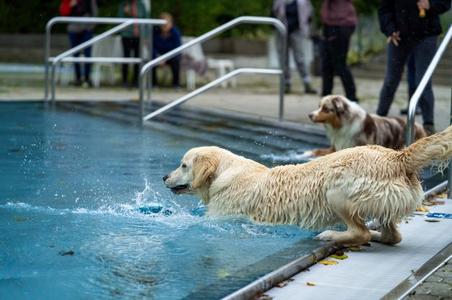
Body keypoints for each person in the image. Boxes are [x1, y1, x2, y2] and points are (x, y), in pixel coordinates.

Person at [377, 0, 451, 135]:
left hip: (426, 35)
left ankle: (428, 126)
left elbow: (445, 3)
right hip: (399, 35)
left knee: (422, 81)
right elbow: (384, 9)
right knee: (390, 80)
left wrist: (431, 5)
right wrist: (390, 29)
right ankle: (378, 120)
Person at [272, 0, 317, 94]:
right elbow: (274, 13)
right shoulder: (279, 1)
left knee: (299, 58)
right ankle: (286, 83)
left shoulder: (303, 2)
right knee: (283, 58)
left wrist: (308, 28)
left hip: (297, 31)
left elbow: (309, 15)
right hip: (282, 31)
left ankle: (307, 83)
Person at [320, 0, 359, 102]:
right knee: (327, 64)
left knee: (339, 64)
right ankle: (326, 96)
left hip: (341, 24)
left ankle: (352, 97)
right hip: (331, 24)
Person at [59, 0, 98, 87]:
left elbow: (94, 12)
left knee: (88, 54)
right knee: (75, 54)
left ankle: (87, 78)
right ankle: (78, 78)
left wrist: (91, 26)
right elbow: (63, 12)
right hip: (73, 29)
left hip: (87, 28)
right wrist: (70, 5)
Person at [118, 0, 147, 87]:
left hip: (138, 36)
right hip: (127, 35)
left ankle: (136, 81)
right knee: (126, 57)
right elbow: (119, 20)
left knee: (138, 58)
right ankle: (125, 80)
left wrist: (145, 35)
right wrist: (126, 12)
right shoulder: (123, 4)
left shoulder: (141, 4)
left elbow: (145, 20)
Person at [152, 12, 182, 88]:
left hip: (171, 56)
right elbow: (152, 47)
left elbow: (176, 48)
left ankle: (176, 84)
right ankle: (153, 83)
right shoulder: (155, 32)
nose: (165, 26)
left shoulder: (175, 33)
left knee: (176, 60)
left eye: (167, 23)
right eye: (163, 23)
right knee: (151, 60)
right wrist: (158, 57)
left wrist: (165, 58)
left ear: (171, 23)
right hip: (158, 56)